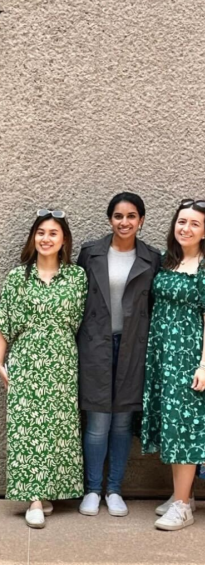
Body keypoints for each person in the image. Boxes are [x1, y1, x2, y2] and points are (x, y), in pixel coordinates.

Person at [0, 208, 87, 529]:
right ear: (34, 237)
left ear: (63, 240)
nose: (46, 239)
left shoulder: (77, 277)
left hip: (62, 361)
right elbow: (5, 320)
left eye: (53, 233)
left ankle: (46, 491)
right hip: (26, 358)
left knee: (57, 428)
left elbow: (83, 323)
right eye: (41, 233)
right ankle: (33, 498)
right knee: (27, 427)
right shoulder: (18, 277)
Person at [77, 192, 161, 518]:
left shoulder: (152, 259)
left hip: (133, 348)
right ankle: (92, 489)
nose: (124, 222)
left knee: (123, 422)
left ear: (141, 220)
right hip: (96, 345)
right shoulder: (90, 254)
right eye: (118, 216)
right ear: (109, 219)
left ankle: (114, 489)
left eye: (131, 216)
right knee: (98, 421)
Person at [142, 199, 205, 531]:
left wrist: (204, 365)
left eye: (195, 223)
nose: (186, 228)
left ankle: (182, 507)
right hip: (163, 357)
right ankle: (183, 494)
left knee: (185, 428)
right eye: (182, 221)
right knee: (172, 424)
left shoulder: (204, 267)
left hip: (188, 357)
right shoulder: (171, 262)